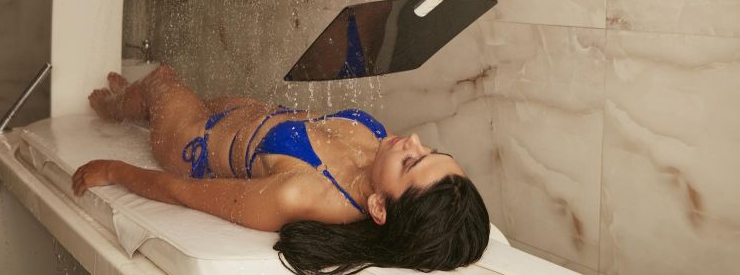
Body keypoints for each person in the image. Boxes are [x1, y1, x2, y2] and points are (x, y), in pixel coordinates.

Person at [72, 65, 490, 274]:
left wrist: (115, 172)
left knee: (162, 79)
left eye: (413, 160)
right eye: (431, 150)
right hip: (246, 115)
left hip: (193, 139)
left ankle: (113, 105)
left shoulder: (302, 193)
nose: (413, 140)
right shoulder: (384, 158)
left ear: (379, 207)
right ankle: (132, 101)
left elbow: (185, 191)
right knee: (172, 94)